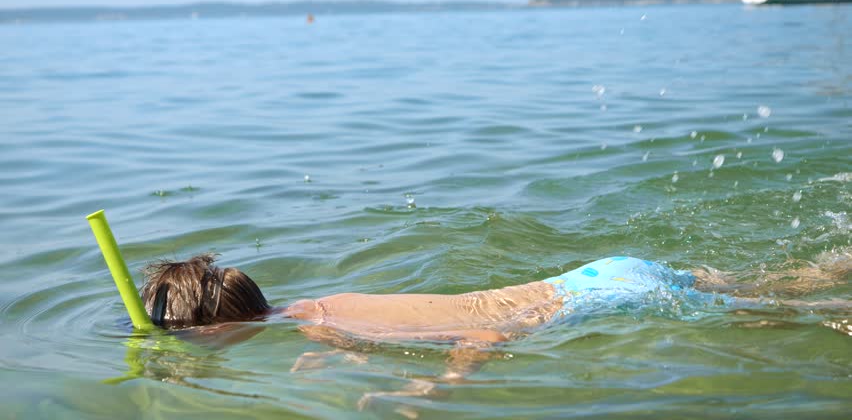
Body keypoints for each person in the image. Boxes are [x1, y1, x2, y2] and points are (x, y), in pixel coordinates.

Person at [140, 252, 850, 406]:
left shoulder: (325, 322)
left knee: (799, 316)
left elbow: (490, 334)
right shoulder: (322, 310)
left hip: (593, 302)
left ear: (214, 329)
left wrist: (433, 386)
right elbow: (359, 335)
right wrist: (346, 363)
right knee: (781, 282)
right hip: (603, 272)